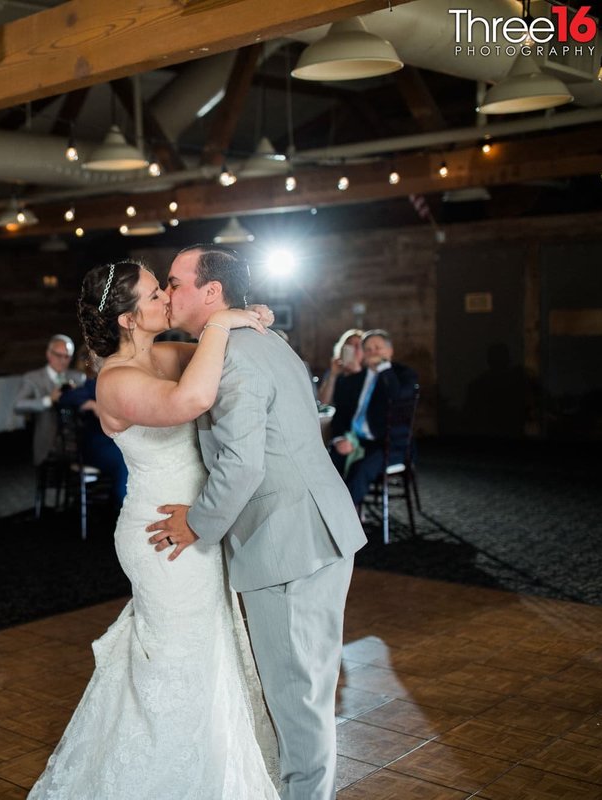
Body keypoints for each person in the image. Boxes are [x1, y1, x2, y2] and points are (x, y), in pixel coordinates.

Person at [29, 260, 278, 799]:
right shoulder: (115, 382)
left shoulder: (162, 353)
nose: (168, 295)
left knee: (208, 653)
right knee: (176, 664)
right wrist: (218, 323)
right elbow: (192, 399)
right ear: (126, 318)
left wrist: (249, 318)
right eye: (154, 292)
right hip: (162, 536)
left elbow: (225, 359)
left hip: (199, 527)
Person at [145, 246, 368, 799]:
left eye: (175, 283)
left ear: (212, 291)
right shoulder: (263, 340)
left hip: (289, 537)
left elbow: (243, 464)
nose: (169, 294)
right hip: (315, 525)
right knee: (305, 692)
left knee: (299, 699)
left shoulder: (236, 355)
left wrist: (197, 524)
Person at [329, 329, 419, 505]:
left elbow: (397, 396)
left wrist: (384, 368)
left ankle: (346, 522)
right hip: (356, 440)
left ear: (390, 350)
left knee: (359, 469)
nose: (373, 352)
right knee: (326, 464)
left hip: (390, 444)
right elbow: (341, 414)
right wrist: (339, 438)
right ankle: (325, 513)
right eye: (368, 349)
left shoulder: (404, 375)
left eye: (378, 348)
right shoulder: (354, 380)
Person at [56, 355, 127, 506]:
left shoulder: (123, 384)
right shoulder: (94, 385)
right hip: (97, 446)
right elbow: (64, 398)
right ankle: (122, 507)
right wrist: (91, 404)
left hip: (117, 442)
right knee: (124, 461)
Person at [14, 335, 86, 466]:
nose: (63, 361)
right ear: (49, 354)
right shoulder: (33, 378)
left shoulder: (79, 378)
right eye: (59, 355)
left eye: (67, 356)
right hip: (46, 441)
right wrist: (48, 400)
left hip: (77, 442)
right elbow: (18, 405)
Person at [316, 328, 363, 406]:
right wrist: (332, 375)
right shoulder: (335, 371)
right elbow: (323, 402)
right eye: (349, 344)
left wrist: (358, 372)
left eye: (357, 346)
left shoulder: (368, 373)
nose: (352, 349)